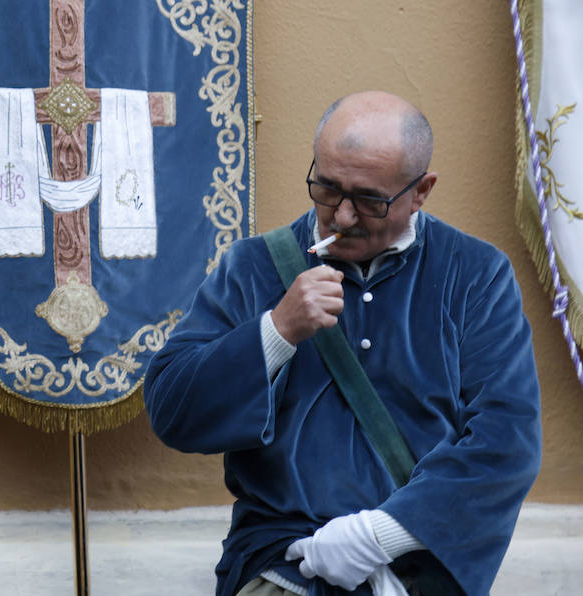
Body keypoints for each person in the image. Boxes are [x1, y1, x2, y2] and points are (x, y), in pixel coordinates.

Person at [143, 91, 541, 596]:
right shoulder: (252, 267)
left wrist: (378, 536)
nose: (343, 217)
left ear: (421, 191)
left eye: (370, 200)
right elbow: (172, 410)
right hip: (285, 559)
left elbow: (507, 440)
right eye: (327, 189)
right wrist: (276, 331)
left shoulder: (477, 275)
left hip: (417, 564)